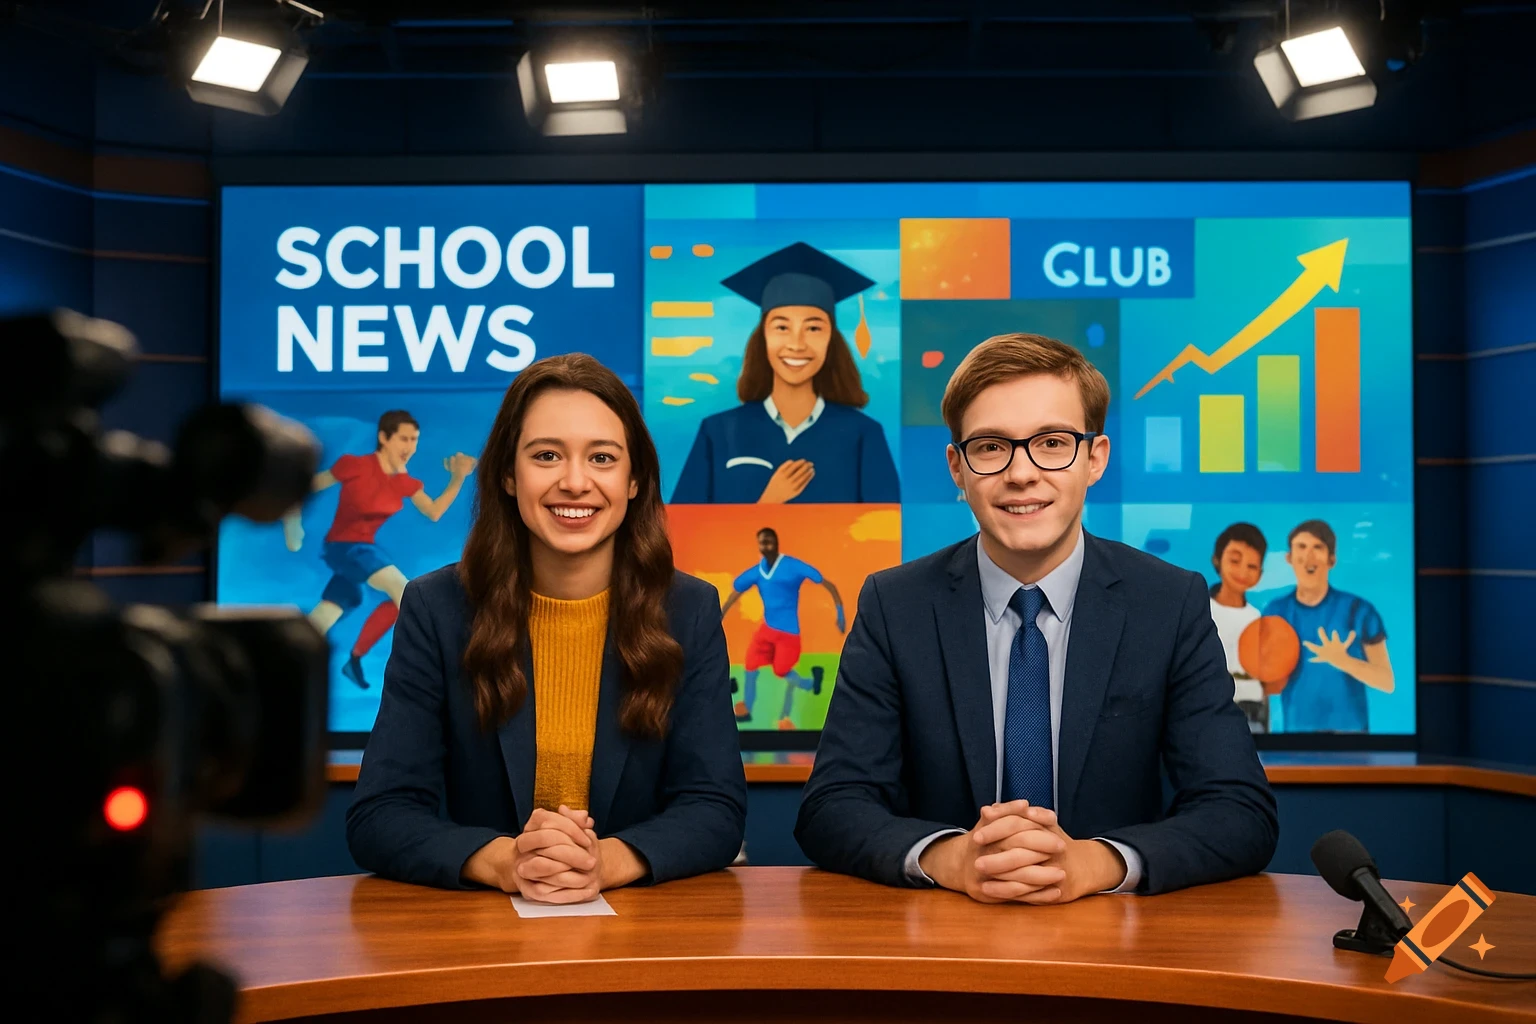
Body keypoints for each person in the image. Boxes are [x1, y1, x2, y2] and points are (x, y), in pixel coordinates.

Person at [796, 333, 1277, 902]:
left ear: (1095, 458)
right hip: (941, 945)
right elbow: (832, 806)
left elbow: (1240, 811)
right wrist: (951, 857)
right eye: (992, 447)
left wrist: (1094, 863)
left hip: (1116, 947)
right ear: (957, 467)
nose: (1021, 473)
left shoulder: (1168, 602)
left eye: (1052, 443)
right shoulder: (894, 605)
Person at [347, 355, 747, 901]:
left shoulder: (689, 608)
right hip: (488, 935)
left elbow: (715, 810)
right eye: (547, 456)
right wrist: (506, 862)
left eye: (602, 458)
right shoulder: (436, 607)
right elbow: (380, 815)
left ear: (634, 482)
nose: (575, 482)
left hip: (645, 935)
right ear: (509, 475)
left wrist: (603, 861)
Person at [670, 242, 900, 504]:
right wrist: (768, 504)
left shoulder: (862, 434)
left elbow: (884, 534)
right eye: (781, 327)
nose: (797, 343)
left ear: (830, 340)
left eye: (814, 328)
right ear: (763, 337)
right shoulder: (718, 432)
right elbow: (686, 532)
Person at [283, 410, 477, 689]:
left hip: (361, 550)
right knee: (406, 593)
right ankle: (444, 668)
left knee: (331, 609)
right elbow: (307, 487)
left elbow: (434, 511)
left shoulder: (403, 482)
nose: (409, 447)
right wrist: (293, 516)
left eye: (414, 440)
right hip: (346, 547)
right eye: (403, 439)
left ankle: (318, 660)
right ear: (384, 438)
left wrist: (457, 478)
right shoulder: (355, 465)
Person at [1263, 520, 1394, 733]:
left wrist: (1343, 661)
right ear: (1289, 557)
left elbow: (1386, 681)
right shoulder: (1275, 611)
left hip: (1352, 739)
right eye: (1301, 547)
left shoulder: (1359, 610)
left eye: (1318, 547)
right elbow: (1267, 682)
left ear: (1331, 559)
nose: (1309, 556)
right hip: (1293, 740)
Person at [721, 527, 846, 728]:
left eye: (769, 541)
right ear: (759, 546)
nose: (766, 545)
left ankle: (811, 683)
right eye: (762, 542)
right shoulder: (758, 571)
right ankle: (747, 708)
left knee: (781, 670)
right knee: (750, 662)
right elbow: (737, 591)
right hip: (767, 630)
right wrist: (721, 613)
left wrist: (839, 610)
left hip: (788, 633)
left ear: (777, 543)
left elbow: (827, 584)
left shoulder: (792, 566)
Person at [1208, 523, 1269, 733]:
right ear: (1217, 559)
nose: (1243, 571)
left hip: (1253, 707)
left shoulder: (1258, 617)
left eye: (1252, 566)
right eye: (1235, 560)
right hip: (1211, 708)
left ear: (1260, 574)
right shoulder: (1202, 609)